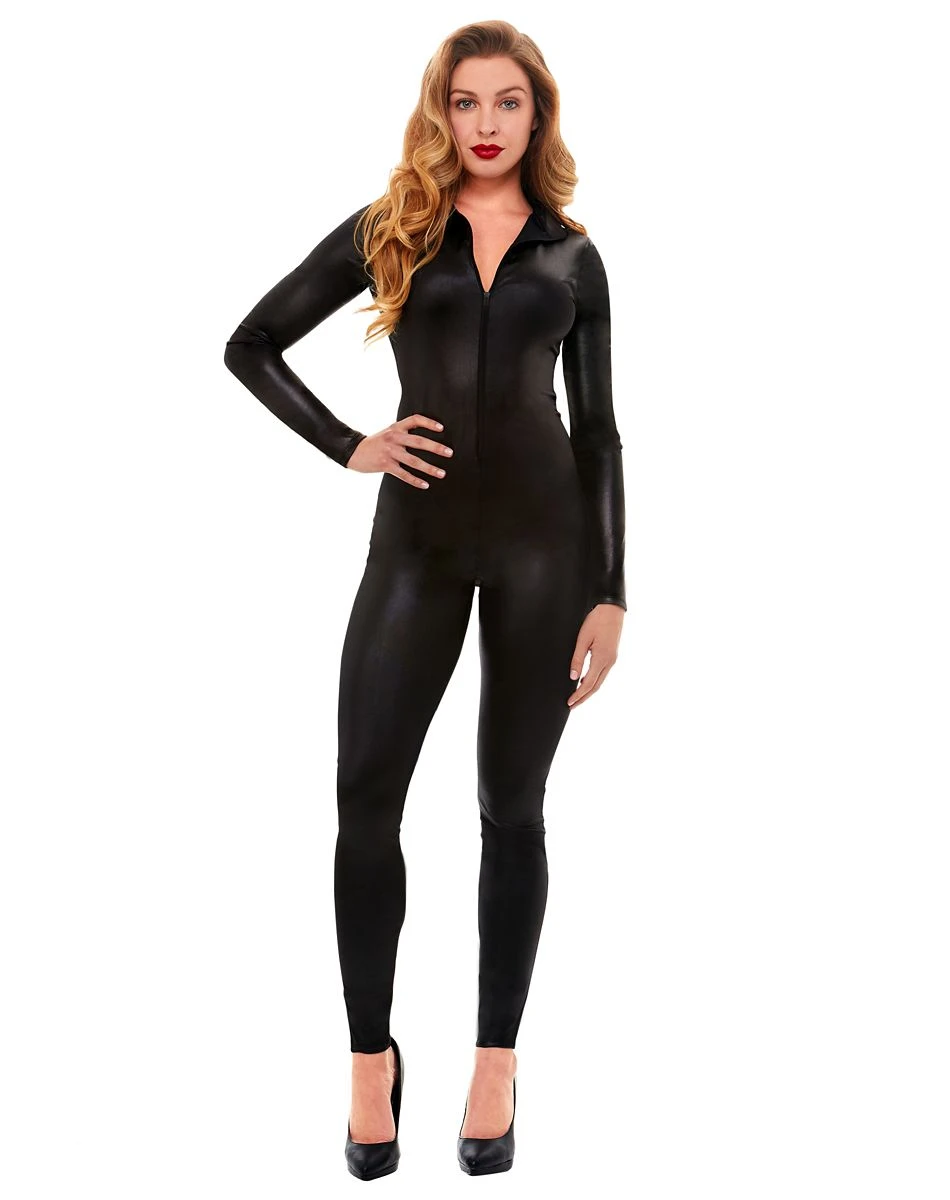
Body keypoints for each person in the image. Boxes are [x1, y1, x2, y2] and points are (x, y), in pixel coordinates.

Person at [223, 20, 626, 1180]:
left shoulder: (573, 258)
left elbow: (597, 432)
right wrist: (348, 443)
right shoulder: (392, 227)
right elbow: (252, 344)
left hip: (546, 556)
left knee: (511, 806)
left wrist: (610, 591)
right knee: (363, 798)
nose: (485, 123)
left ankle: (495, 1061)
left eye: (507, 102)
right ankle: (369, 1063)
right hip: (415, 549)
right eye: (465, 102)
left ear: (536, 115)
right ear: (439, 112)